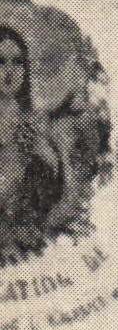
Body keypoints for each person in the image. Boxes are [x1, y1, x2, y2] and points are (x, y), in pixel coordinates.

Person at [0, 25, 68, 261]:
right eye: (1, 62)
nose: (9, 71)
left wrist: (41, 151)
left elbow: (54, 180)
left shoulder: (34, 123)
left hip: (25, 234)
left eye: (17, 62)